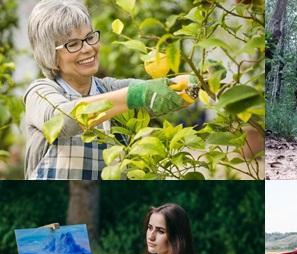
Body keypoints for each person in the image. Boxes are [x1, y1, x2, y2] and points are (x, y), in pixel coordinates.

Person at [25, 0, 196, 179]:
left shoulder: (108, 89)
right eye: (73, 44)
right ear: (49, 53)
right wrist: (136, 95)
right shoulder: (40, 93)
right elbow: (63, 121)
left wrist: (196, 83)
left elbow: (162, 93)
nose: (88, 48)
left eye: (90, 37)